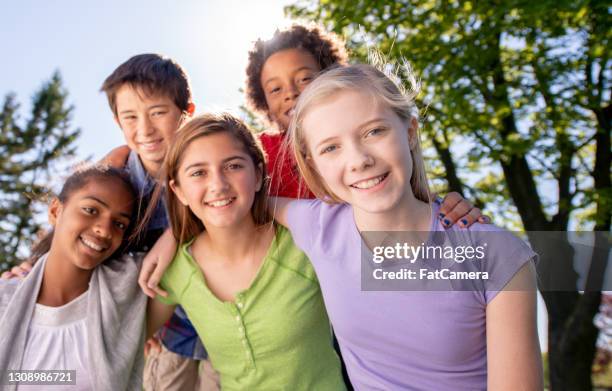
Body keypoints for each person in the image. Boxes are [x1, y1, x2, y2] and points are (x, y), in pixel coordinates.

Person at [269, 63, 543, 389]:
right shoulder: (318, 225)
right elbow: (239, 195)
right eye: (331, 147)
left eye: (374, 131)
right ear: (313, 162)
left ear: (410, 131)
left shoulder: (496, 255)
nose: (358, 160)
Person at [1, 53, 218, 391]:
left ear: (186, 113)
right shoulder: (118, 181)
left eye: (158, 113)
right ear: (118, 121)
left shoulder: (210, 167)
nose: (144, 129)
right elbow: (74, 227)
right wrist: (32, 268)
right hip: (167, 333)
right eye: (129, 117)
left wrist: (178, 232)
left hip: (218, 315)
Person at [146, 113, 346, 390]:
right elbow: (124, 340)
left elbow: (403, 274)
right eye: (198, 173)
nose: (218, 184)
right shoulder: (176, 270)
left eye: (233, 166)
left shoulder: (302, 246)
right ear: (178, 190)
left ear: (258, 175)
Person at [244, 23, 484, 226]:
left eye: (305, 78)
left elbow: (411, 204)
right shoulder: (257, 153)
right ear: (263, 101)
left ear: (331, 79)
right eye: (275, 89)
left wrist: (449, 208)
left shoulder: (376, 146)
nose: (291, 93)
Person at [0, 164, 146, 391]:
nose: (105, 230)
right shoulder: (6, 299)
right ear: (55, 211)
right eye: (91, 210)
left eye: (119, 224)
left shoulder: (126, 294)